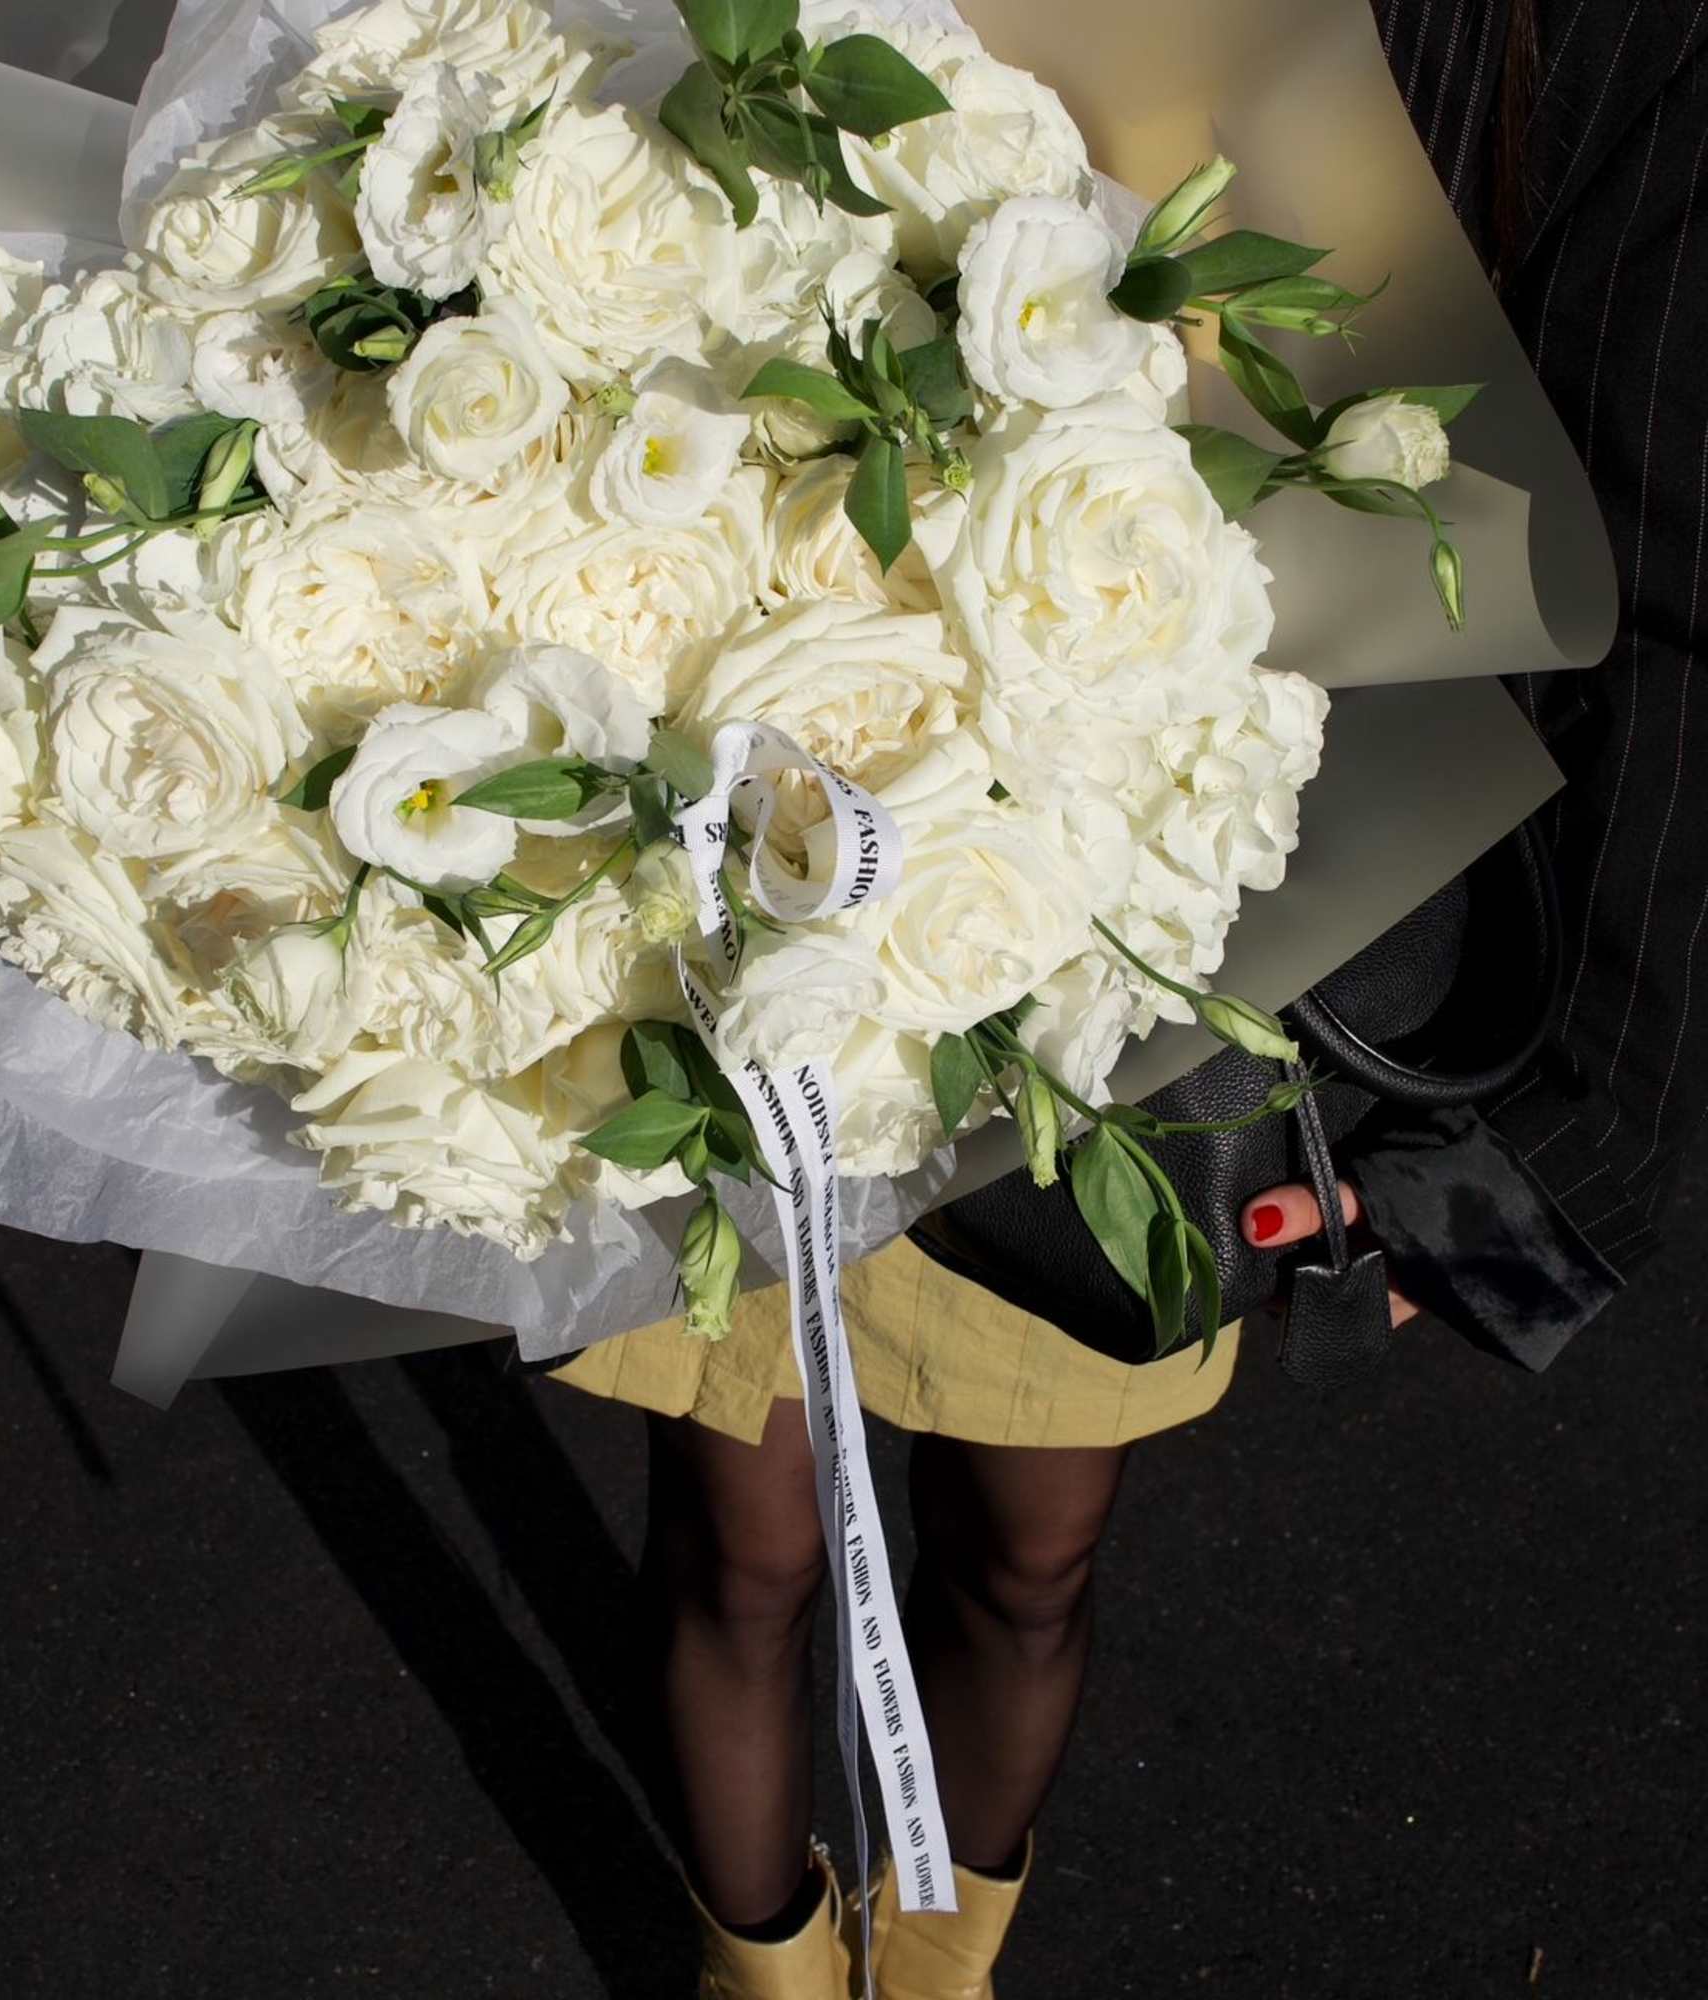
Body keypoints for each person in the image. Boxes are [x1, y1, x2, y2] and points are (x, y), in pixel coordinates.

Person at [552, 2, 1708, 1993]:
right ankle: (760, 1971)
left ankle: (941, 1971)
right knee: (739, 1541)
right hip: (719, 872)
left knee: (1031, 1555)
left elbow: (1669, 555)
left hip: (1128, 976)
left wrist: (1536, 1181)